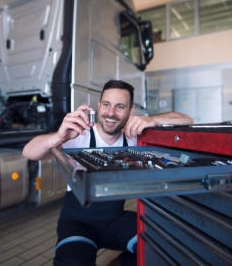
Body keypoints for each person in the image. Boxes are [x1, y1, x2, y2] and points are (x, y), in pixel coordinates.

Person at [22, 80, 193, 266]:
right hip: (78, 223)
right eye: (106, 104)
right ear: (99, 106)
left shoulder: (135, 137)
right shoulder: (80, 135)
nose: (111, 113)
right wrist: (58, 137)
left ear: (130, 112)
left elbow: (187, 120)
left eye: (120, 107)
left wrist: (152, 120)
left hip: (115, 220)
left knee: (161, 248)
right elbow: (29, 152)